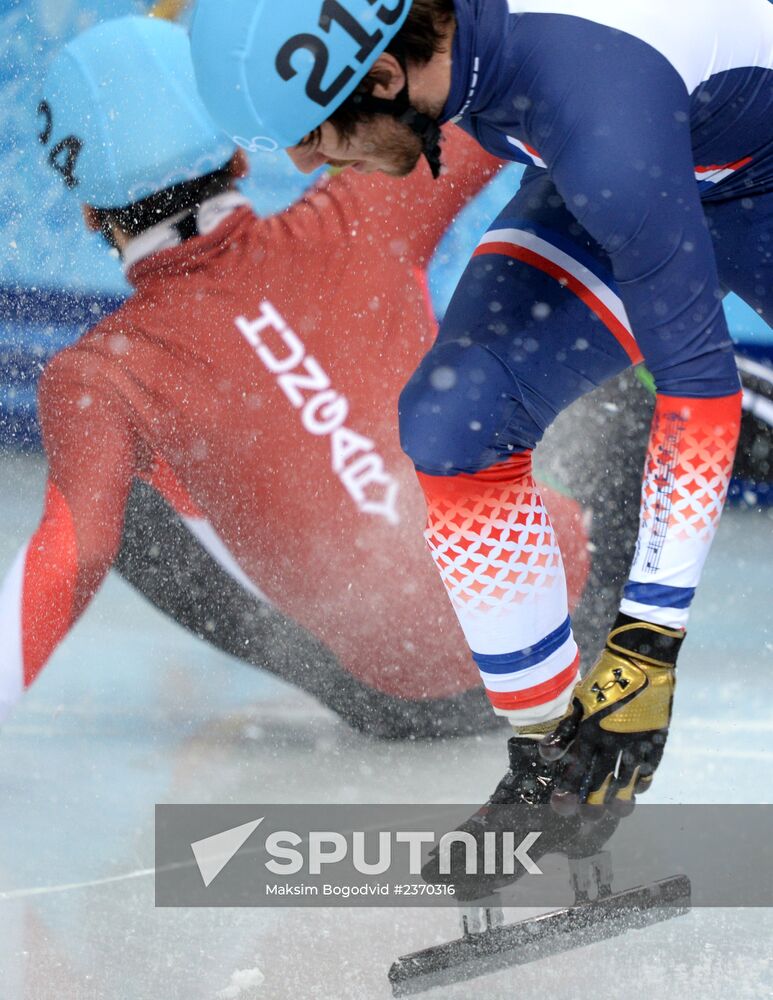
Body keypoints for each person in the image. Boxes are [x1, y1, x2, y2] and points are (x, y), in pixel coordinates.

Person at [190, 0, 773, 815]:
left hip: (703, 165)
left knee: (686, 355)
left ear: (388, 76)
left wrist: (644, 650)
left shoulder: (594, 111)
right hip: (648, 153)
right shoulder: (463, 64)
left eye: (316, 135)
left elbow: (696, 389)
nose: (306, 160)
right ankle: (553, 767)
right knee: (455, 415)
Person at [0, 14, 615, 741]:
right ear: (237, 155)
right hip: (572, 633)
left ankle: (343, 628)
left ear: (88, 211)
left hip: (402, 704)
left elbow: (72, 559)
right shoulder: (364, 209)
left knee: (112, 506)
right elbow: (502, 79)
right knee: (603, 357)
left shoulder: (99, 376)